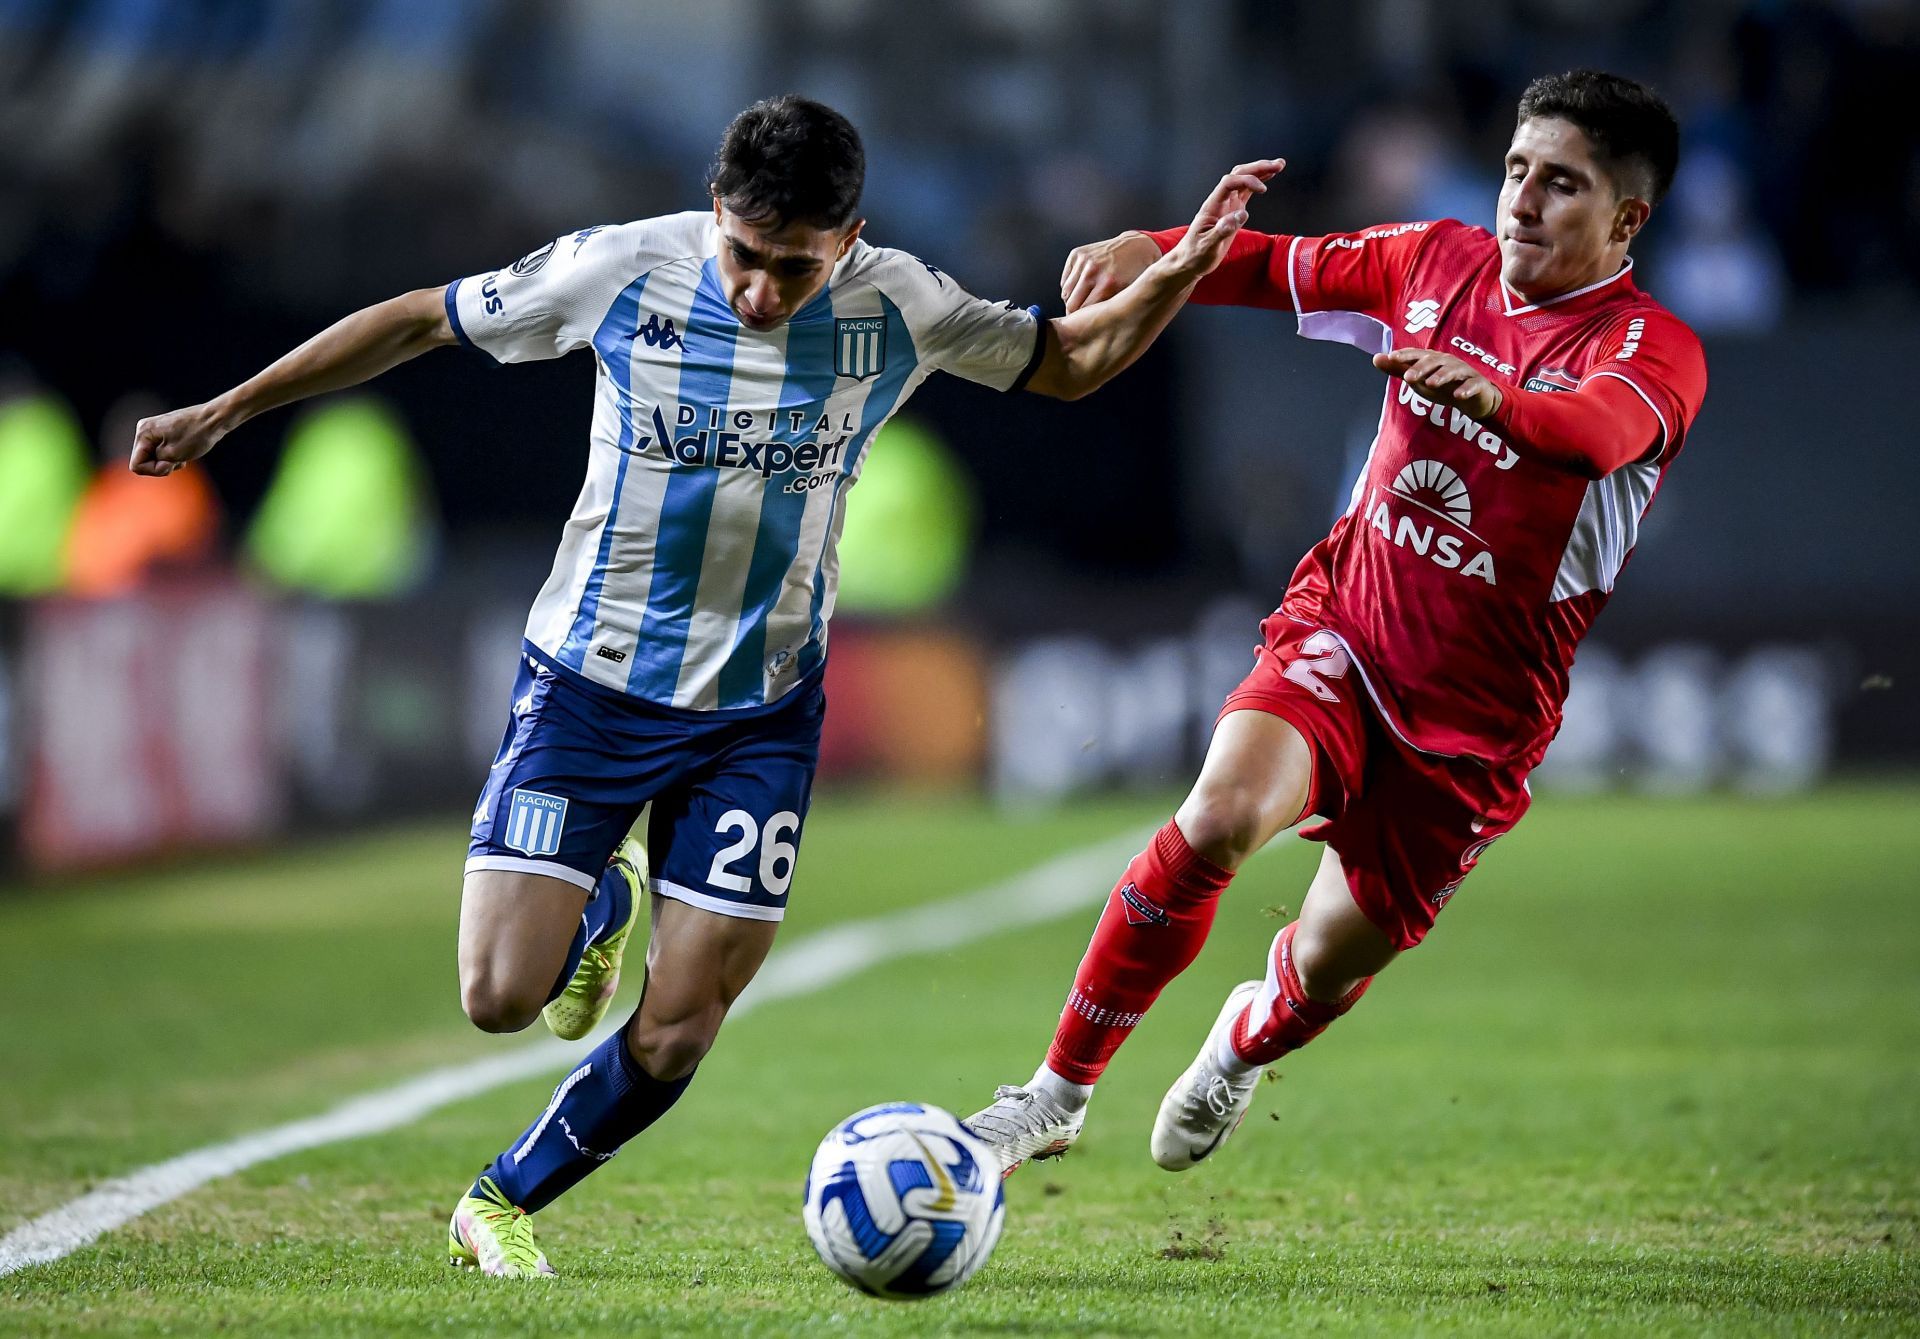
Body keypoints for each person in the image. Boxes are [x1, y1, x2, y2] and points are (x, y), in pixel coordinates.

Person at [129, 94, 1279, 1277]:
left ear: (850, 238)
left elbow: (1069, 362)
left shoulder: (899, 302)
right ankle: (603, 907)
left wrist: (1186, 268)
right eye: (741, 254)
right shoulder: (623, 268)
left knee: (680, 1025)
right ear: (712, 213)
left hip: (761, 713)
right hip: (590, 683)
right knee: (495, 994)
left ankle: (503, 1199)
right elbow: (421, 322)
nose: (759, 291)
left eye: (793, 268)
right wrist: (229, 409)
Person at [965, 70, 1709, 1176]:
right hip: (1346, 635)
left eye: (1562, 185)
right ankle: (1053, 1093)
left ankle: (1241, 1042)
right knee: (1216, 819)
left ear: (1626, 219)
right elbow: (1273, 266)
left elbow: (1594, 434)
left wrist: (1496, 399)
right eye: (1516, 171)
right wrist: (1161, 249)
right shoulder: (1436, 261)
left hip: (1474, 728)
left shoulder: (1654, 349)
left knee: (1323, 967)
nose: (1524, 201)